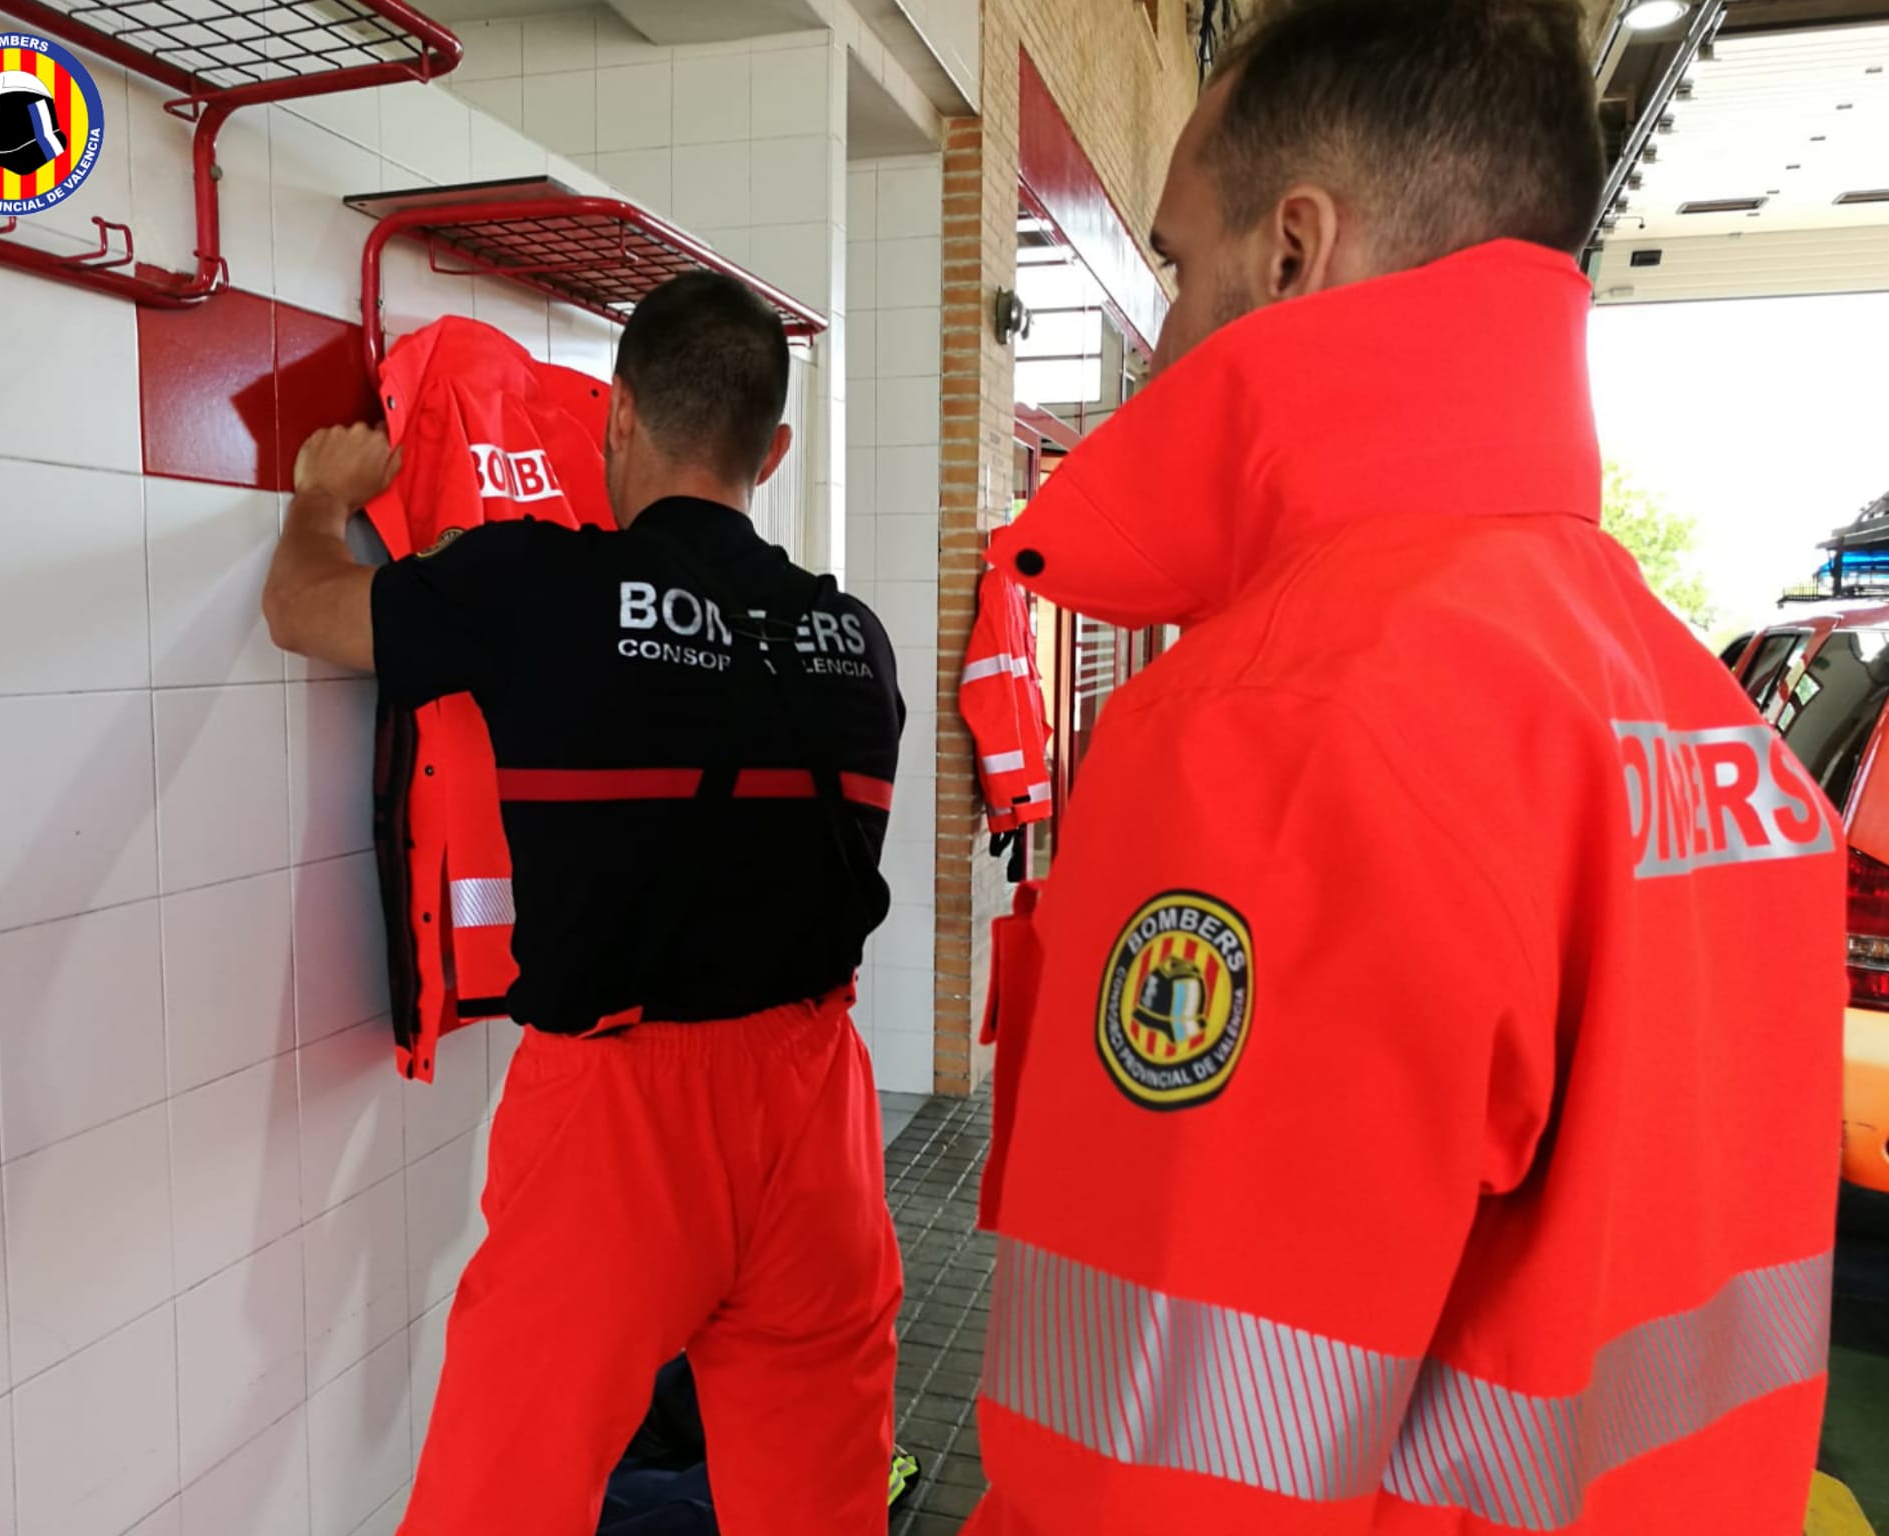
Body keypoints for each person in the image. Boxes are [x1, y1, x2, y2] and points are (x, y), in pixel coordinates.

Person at [963, 1, 1845, 1532]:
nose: (1159, 337)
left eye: (1175, 266)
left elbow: (1161, 1479)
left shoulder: (1282, 728)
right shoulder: (1711, 725)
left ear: (1295, 251)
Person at [261, 271, 905, 1536]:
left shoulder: (537, 588)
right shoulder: (853, 640)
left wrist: (321, 500)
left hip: (617, 1117)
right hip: (820, 1107)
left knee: (500, 1497)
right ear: (771, 452)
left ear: (614, 421)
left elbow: (300, 613)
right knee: (818, 1501)